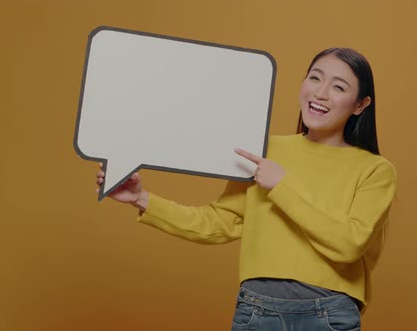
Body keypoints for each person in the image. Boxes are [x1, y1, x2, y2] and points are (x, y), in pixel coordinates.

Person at [96, 47, 397, 331]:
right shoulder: (263, 150)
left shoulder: (374, 170)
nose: (320, 93)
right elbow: (219, 223)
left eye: (338, 87)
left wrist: (282, 185)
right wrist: (141, 198)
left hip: (329, 314)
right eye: (315, 78)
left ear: (361, 104)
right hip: (257, 310)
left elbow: (349, 244)